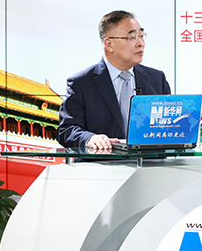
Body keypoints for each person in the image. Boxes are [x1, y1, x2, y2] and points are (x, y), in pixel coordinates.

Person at [57, 10, 171, 150]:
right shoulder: (81, 83)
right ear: (109, 44)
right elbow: (66, 130)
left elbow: (168, 127)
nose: (140, 43)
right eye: (132, 37)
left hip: (148, 162)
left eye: (141, 36)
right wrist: (90, 138)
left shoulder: (157, 79)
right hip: (102, 161)